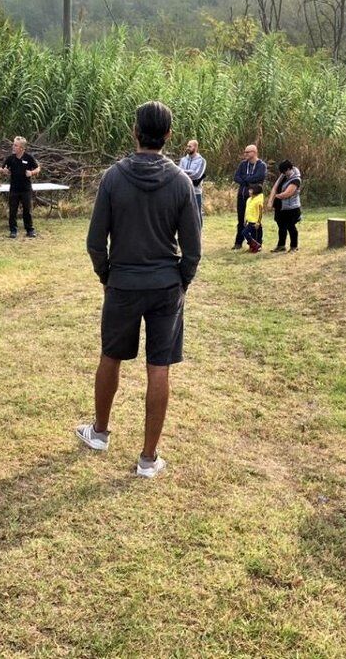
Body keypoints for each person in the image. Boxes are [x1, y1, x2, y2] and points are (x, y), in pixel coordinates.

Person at [77, 101, 202, 479]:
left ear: (135, 132)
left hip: (124, 284)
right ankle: (148, 458)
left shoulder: (113, 178)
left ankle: (99, 432)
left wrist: (107, 276)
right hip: (165, 285)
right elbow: (193, 249)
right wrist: (181, 281)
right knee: (158, 367)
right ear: (168, 136)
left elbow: (96, 241)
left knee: (110, 356)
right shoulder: (181, 181)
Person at [0, 136, 40, 238]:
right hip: (14, 189)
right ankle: (13, 231)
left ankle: (30, 230)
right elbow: (2, 168)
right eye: (13, 145)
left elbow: (38, 168)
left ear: (21, 148)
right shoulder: (10, 158)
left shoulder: (28, 158)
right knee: (13, 211)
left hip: (26, 189)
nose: (13, 147)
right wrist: (4, 171)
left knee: (27, 210)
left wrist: (31, 172)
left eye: (15, 145)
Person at [232, 144, 267, 249]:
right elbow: (236, 177)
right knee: (241, 220)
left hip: (254, 198)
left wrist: (245, 180)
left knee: (255, 221)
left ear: (254, 152)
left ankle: (257, 243)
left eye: (247, 152)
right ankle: (238, 242)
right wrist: (248, 180)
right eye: (245, 152)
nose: (245, 154)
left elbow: (259, 177)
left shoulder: (261, 165)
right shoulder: (243, 164)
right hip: (242, 196)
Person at [269, 159, 302, 252]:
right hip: (280, 207)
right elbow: (275, 187)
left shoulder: (296, 179)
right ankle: (281, 245)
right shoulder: (283, 175)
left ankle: (294, 246)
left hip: (291, 208)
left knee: (291, 227)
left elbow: (288, 193)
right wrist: (271, 200)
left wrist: (276, 196)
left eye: (285, 171)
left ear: (289, 169)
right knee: (281, 226)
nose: (284, 173)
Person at [178, 139, 206, 226]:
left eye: (190, 146)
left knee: (197, 214)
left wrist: (184, 172)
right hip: (183, 191)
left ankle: (198, 235)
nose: (188, 148)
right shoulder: (183, 160)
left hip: (195, 192)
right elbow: (178, 173)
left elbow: (197, 175)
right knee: (183, 214)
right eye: (187, 146)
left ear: (195, 147)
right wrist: (190, 172)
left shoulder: (201, 161)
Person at [243, 183, 265, 252]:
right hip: (250, 221)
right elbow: (247, 210)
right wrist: (245, 220)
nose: (249, 191)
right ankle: (254, 246)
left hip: (255, 222)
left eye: (251, 190)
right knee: (252, 235)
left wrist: (258, 222)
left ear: (255, 191)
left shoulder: (259, 200)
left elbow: (260, 212)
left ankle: (257, 246)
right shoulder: (249, 200)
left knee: (245, 232)